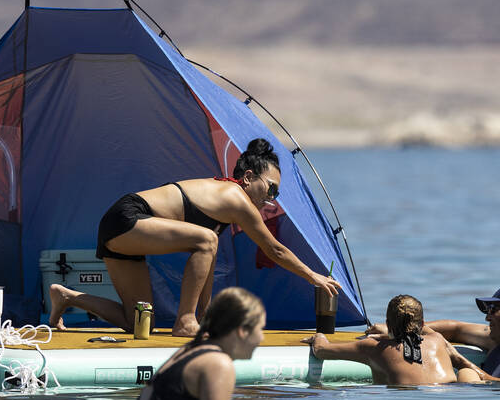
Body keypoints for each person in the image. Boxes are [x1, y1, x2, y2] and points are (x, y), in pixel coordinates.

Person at [47, 138, 340, 337]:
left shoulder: (224, 211)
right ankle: (184, 322)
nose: (272, 199)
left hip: (120, 230)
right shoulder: (235, 197)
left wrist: (206, 314)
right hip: (127, 217)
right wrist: (314, 276)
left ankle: (66, 296)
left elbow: (207, 266)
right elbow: (274, 250)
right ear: (248, 177)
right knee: (206, 241)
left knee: (136, 321)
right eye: (271, 189)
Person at [106, 287, 265, 400]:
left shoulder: (189, 350)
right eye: (260, 329)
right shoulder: (218, 364)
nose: (262, 337)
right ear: (242, 330)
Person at [305, 294, 457, 386]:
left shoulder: (373, 348)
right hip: (448, 396)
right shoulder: (437, 339)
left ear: (388, 324)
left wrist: (319, 336)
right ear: (423, 324)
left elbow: (321, 351)